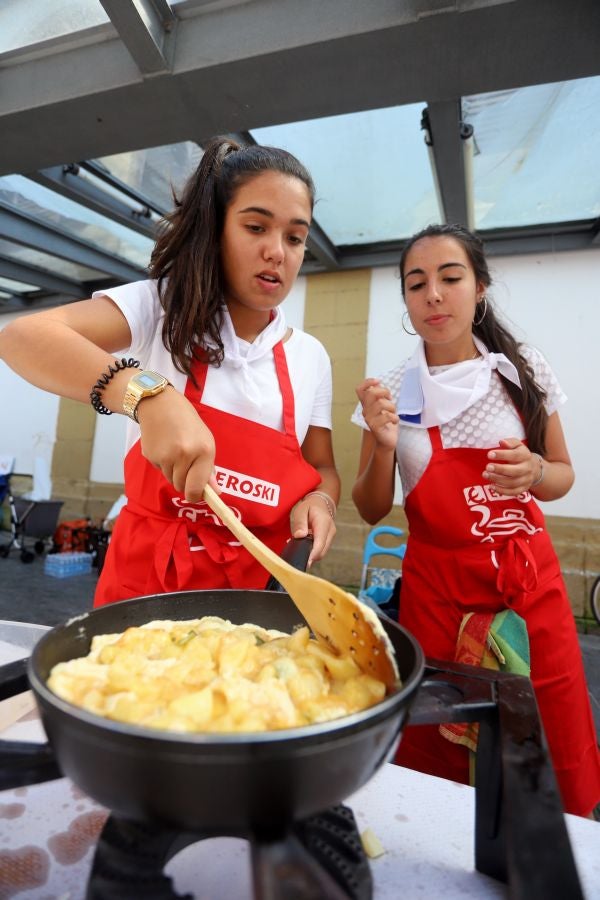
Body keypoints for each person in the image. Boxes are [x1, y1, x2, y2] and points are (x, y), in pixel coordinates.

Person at [0, 137, 340, 606]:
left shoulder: (311, 357)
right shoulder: (160, 309)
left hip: (252, 592)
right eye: (256, 227)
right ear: (215, 229)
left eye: (294, 237)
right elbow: (23, 338)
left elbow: (321, 467)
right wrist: (149, 396)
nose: (277, 252)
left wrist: (321, 502)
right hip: (145, 586)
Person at [351, 222, 600, 818]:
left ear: (479, 287)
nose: (433, 294)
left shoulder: (521, 372)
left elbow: (563, 475)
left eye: (450, 277)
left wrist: (535, 471)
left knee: (551, 739)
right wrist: (384, 442)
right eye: (417, 283)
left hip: (527, 594)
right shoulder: (391, 390)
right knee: (441, 764)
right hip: (438, 603)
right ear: (407, 302)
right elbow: (368, 506)